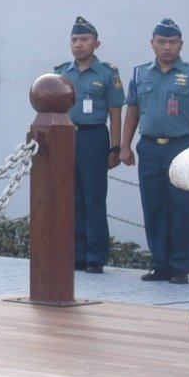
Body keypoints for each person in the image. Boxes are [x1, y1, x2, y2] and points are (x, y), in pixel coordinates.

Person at [123, 17, 189, 285]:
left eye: (172, 42)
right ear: (152, 43)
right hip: (149, 147)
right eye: (161, 42)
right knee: (153, 206)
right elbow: (132, 111)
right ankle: (160, 264)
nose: (167, 47)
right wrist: (125, 146)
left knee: (181, 207)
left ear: (181, 44)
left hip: (181, 148)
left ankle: (180, 266)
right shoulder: (140, 74)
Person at [54, 16, 124, 274]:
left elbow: (115, 113)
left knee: (93, 198)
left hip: (94, 137)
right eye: (74, 40)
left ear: (96, 43)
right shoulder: (61, 73)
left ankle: (95, 256)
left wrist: (115, 148)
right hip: (66, 137)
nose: (78, 44)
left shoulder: (107, 73)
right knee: (70, 198)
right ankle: (76, 254)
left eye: (84, 39)